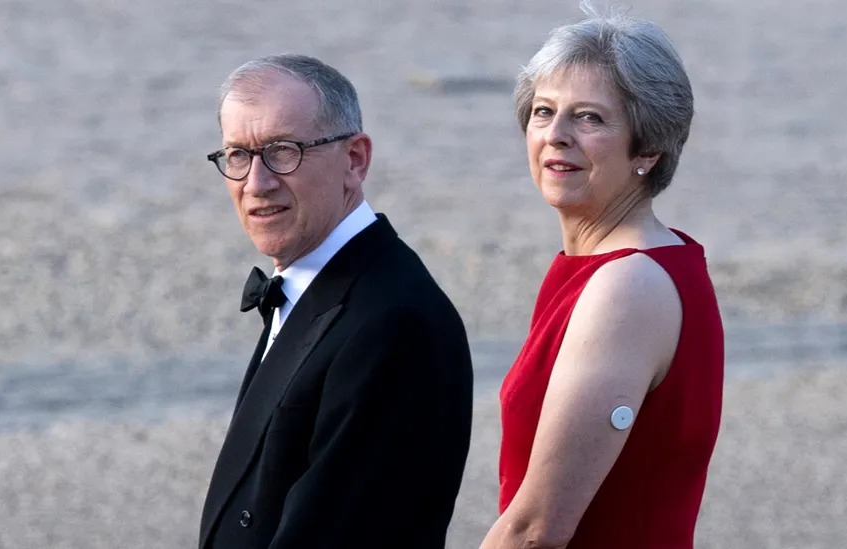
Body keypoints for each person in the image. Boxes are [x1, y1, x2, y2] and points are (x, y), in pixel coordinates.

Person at [198, 54, 474, 549]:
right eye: (238, 155)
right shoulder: (319, 286)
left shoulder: (394, 324)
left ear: (355, 160)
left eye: (283, 151)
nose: (256, 183)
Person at [479, 6, 724, 549]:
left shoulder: (628, 287)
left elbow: (535, 530)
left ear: (649, 148)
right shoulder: (632, 264)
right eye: (543, 111)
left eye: (588, 118)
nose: (556, 135)